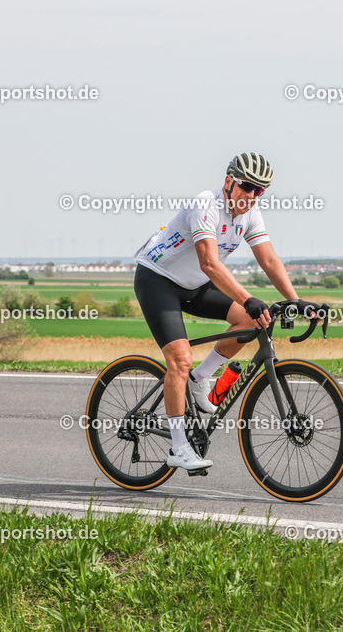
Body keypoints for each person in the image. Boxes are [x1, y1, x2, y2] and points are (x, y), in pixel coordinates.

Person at [132, 153, 320, 471]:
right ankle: (179, 447)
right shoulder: (206, 204)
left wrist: (296, 299)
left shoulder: (250, 214)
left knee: (249, 321)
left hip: (195, 285)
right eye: (247, 186)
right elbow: (209, 262)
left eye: (259, 190)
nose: (251, 195)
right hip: (158, 280)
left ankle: (200, 378)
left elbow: (269, 259)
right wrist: (248, 298)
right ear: (229, 181)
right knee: (179, 359)